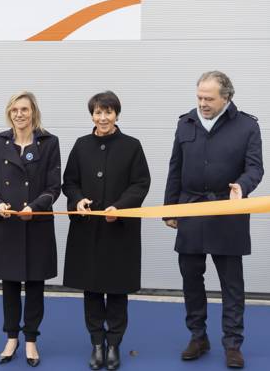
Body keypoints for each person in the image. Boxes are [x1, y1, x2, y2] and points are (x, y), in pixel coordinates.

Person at [163, 71, 264, 369]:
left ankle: (233, 343)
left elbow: (255, 168)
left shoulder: (247, 126)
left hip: (228, 212)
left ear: (226, 97)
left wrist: (242, 186)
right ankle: (198, 336)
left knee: (231, 283)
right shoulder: (186, 123)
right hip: (191, 209)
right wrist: (171, 209)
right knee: (191, 279)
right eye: (199, 97)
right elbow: (175, 169)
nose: (202, 103)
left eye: (209, 98)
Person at [63, 91, 151, 371]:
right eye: (98, 112)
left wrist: (120, 207)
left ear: (116, 115)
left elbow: (140, 183)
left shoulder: (132, 146)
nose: (103, 118)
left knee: (116, 290)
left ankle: (114, 344)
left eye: (108, 112)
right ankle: (96, 343)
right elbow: (69, 181)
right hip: (88, 230)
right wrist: (77, 200)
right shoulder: (81, 145)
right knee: (91, 289)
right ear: (92, 115)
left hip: (119, 231)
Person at [0, 91, 61, 368]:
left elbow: (54, 187)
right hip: (7, 225)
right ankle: (11, 337)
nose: (19, 114)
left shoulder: (49, 142)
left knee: (36, 285)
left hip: (36, 223)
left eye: (24, 109)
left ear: (33, 112)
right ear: (9, 112)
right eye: (14, 109)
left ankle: (30, 340)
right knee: (10, 285)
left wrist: (35, 207)